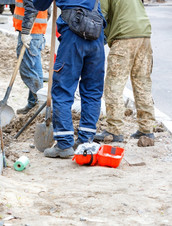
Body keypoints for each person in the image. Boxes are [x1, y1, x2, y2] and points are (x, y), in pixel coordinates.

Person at [33, 0, 106, 158]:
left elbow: (39, 5)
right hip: (96, 35)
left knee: (62, 90)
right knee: (93, 90)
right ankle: (85, 140)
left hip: (74, 36)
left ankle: (64, 144)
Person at [94, 0, 155, 142]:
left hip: (123, 37)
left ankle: (114, 130)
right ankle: (146, 130)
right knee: (142, 83)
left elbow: (100, 16)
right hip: (144, 34)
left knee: (113, 86)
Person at [13, 0, 48, 115]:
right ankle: (33, 103)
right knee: (35, 69)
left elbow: (32, 7)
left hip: (30, 33)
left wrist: (26, 32)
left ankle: (41, 103)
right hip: (37, 31)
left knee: (27, 70)